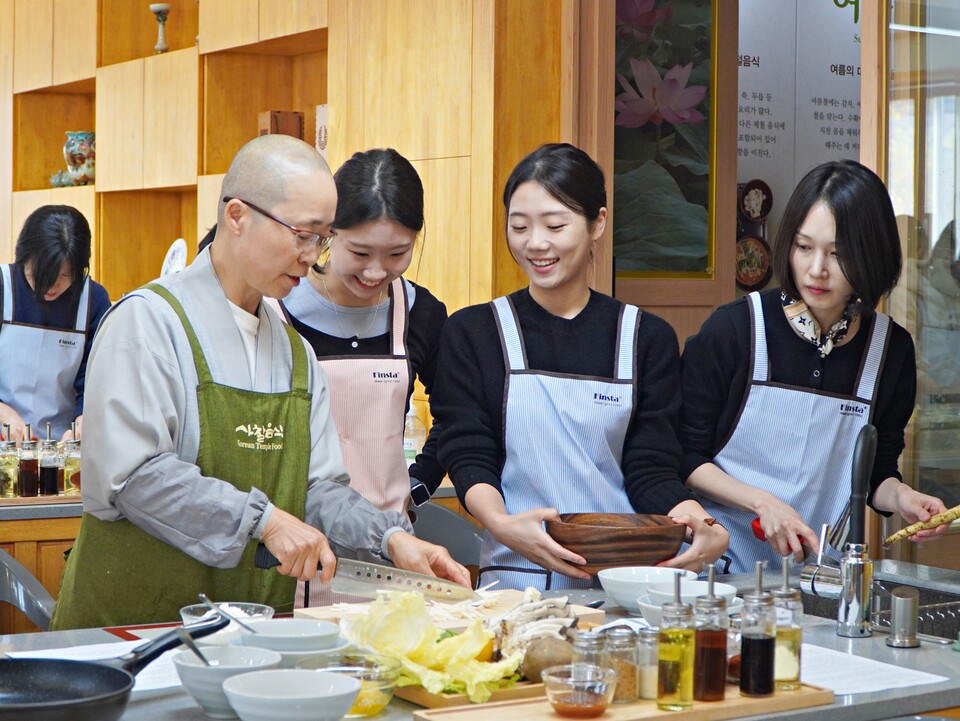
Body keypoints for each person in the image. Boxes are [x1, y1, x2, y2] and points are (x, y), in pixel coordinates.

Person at [50, 134, 469, 629]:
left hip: (250, 633)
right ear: (237, 216)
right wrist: (264, 521)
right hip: (133, 629)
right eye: (302, 235)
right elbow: (133, 477)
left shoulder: (294, 352)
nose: (313, 257)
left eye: (323, 239)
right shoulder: (148, 323)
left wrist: (391, 538)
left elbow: (316, 488)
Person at [431, 143, 728, 591]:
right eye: (519, 226)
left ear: (598, 224)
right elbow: (469, 452)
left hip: (622, 580)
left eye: (555, 225)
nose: (536, 243)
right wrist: (501, 522)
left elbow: (650, 467)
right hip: (515, 580)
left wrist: (698, 518)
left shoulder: (645, 338)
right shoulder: (475, 332)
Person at [679, 159, 949, 574]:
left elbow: (877, 473)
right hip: (720, 570)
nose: (816, 269)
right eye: (804, 248)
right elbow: (686, 457)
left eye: (838, 254)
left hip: (816, 576)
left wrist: (903, 498)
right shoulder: (735, 329)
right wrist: (762, 501)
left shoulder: (890, 349)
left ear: (872, 256)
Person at [276, 149, 448, 605]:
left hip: (395, 551)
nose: (376, 272)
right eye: (359, 252)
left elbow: (456, 416)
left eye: (397, 253)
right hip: (297, 553)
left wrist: (419, 485)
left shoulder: (420, 313)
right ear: (329, 232)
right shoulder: (278, 308)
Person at [0, 205, 111, 442]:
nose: (51, 287)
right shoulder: (3, 287)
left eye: (64, 276)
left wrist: (83, 419)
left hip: (59, 444)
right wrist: (3, 412)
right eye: (39, 276)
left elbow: (98, 379)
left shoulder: (93, 300)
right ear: (22, 257)